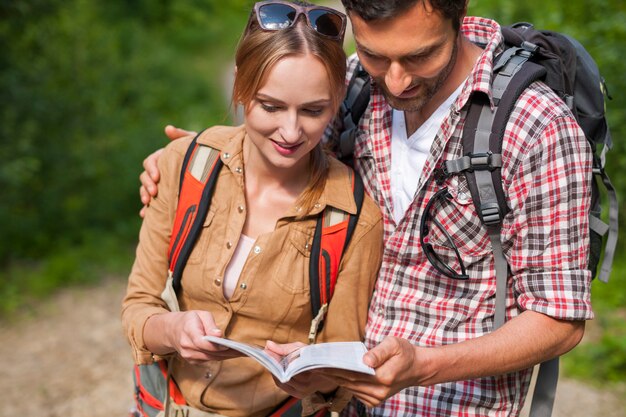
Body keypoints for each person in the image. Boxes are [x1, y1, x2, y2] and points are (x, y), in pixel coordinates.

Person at [139, 1, 594, 416]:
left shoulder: (537, 128)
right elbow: (279, 139)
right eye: (377, 54)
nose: (395, 80)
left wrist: (427, 365)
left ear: (458, 13)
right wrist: (187, 158)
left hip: (458, 406)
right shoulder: (355, 83)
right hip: (343, 406)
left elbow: (559, 319)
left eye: (420, 56)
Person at [122, 2, 383, 417]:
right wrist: (172, 330)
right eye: (271, 106)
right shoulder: (182, 167)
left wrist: (313, 372)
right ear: (241, 88)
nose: (291, 131)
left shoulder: (354, 218)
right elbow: (138, 307)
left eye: (313, 110)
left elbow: (342, 360)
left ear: (336, 102)